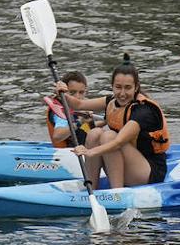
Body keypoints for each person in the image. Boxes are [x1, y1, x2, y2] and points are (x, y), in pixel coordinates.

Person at [54, 56, 170, 188]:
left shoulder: (143, 111)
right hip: (127, 165)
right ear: (112, 86)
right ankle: (91, 188)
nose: (122, 93)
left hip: (148, 172)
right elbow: (79, 104)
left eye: (128, 88)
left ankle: (117, 191)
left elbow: (118, 142)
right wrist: (62, 93)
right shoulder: (112, 101)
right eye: (118, 87)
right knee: (95, 133)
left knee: (109, 136)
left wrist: (90, 152)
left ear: (136, 87)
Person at [46, 71, 95, 148]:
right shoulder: (60, 112)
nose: (77, 97)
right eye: (72, 92)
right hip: (69, 151)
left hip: (83, 145)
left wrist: (106, 120)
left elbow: (87, 127)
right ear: (64, 93)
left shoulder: (81, 106)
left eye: (81, 92)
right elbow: (57, 136)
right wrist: (80, 122)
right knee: (97, 134)